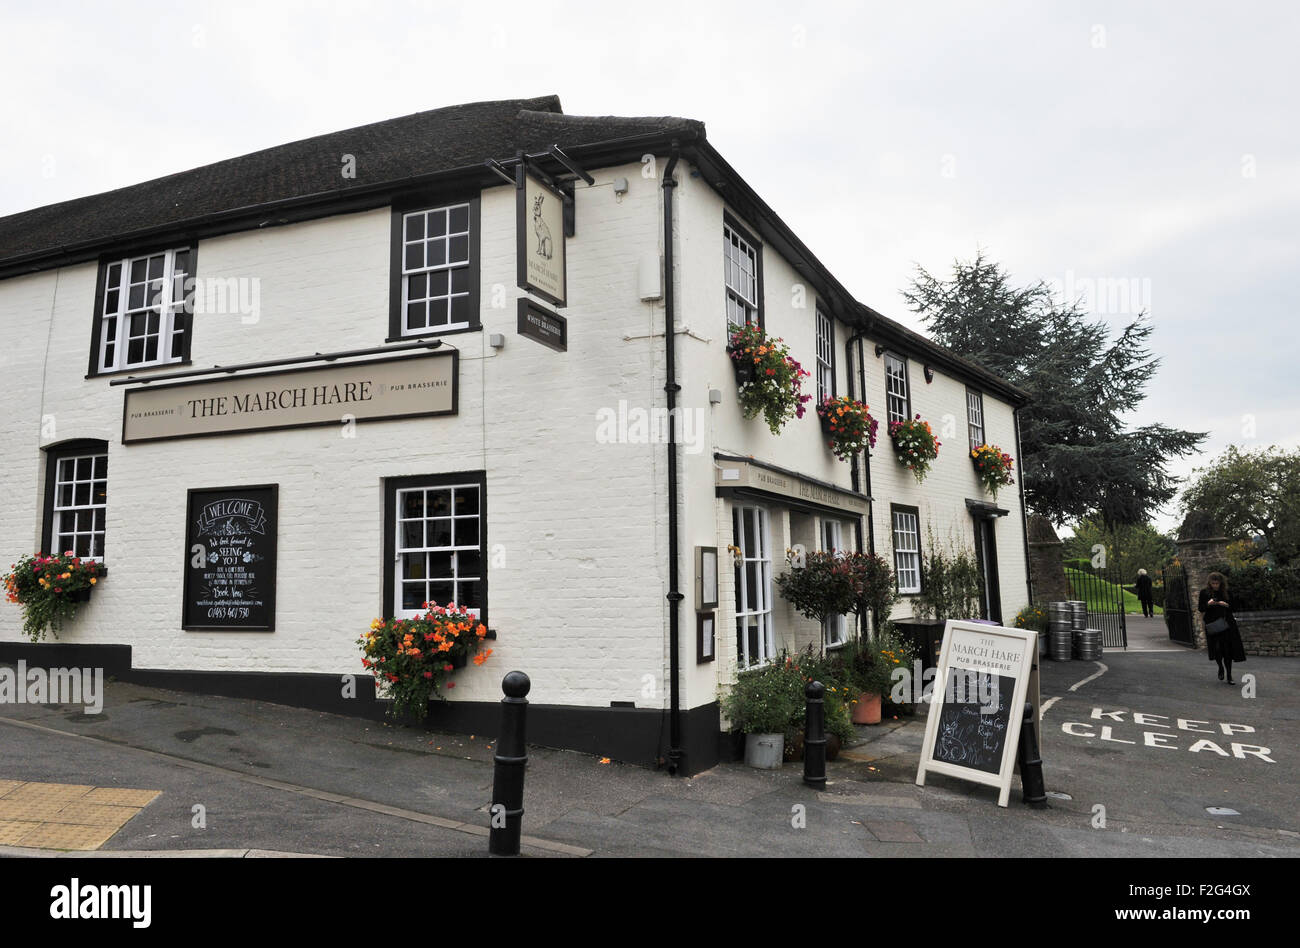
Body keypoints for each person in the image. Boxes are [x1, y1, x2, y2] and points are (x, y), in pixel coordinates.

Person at [1198, 572, 1246, 684]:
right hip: (1212, 624)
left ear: (1221, 583)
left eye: (1217, 583)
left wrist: (1226, 605)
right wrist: (1208, 604)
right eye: (1213, 583)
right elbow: (1201, 608)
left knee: (1228, 651)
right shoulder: (1204, 593)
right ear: (1209, 583)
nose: (1215, 585)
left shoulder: (1227, 592)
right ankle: (1220, 666)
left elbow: (1235, 607)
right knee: (1217, 650)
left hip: (1226, 624)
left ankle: (1229, 675)